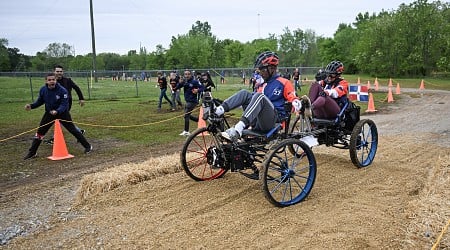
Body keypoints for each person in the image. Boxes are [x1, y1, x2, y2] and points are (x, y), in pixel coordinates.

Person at [213, 51, 302, 141]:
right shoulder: (262, 85)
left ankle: (238, 129)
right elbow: (251, 102)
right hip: (257, 121)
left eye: (262, 70)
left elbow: (294, 99)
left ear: (271, 69)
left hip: (273, 122)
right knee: (245, 93)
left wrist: (295, 104)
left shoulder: (284, 82)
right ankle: (217, 111)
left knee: (259, 96)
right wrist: (224, 102)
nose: (260, 73)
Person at [23, 73, 92, 160]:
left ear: (56, 80)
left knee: (73, 130)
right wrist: (31, 106)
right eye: (49, 80)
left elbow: (64, 104)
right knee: (40, 132)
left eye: (53, 79)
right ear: (46, 81)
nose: (52, 81)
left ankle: (88, 146)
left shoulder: (62, 90)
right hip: (49, 113)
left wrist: (57, 111)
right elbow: (40, 101)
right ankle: (32, 152)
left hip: (63, 113)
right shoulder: (43, 90)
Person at [45, 65, 86, 145]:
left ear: (62, 72)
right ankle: (79, 132)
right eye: (57, 71)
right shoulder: (51, 81)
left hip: (66, 104)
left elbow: (77, 88)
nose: (59, 73)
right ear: (54, 72)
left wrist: (81, 98)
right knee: (64, 120)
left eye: (61, 71)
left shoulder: (68, 81)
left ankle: (54, 138)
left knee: (59, 119)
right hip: (55, 104)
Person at [174, 70, 202, 136]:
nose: (187, 75)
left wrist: (197, 90)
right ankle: (199, 120)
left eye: (188, 74)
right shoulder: (184, 82)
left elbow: (202, 87)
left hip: (193, 102)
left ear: (191, 75)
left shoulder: (194, 82)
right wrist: (179, 83)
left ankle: (186, 131)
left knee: (186, 115)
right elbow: (176, 88)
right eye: (185, 74)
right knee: (187, 115)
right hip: (187, 101)